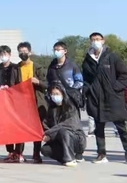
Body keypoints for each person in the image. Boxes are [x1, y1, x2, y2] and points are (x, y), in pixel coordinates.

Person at [82, 32, 127, 163]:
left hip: (113, 98)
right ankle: (101, 154)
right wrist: (87, 91)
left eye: (98, 39)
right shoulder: (88, 60)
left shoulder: (112, 57)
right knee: (99, 129)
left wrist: (115, 88)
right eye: (93, 39)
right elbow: (86, 80)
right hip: (96, 99)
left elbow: (124, 74)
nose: (95, 41)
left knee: (121, 128)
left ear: (103, 41)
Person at [16, 42, 48, 164]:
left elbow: (47, 84)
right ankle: (19, 153)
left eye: (25, 51)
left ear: (30, 52)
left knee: (37, 129)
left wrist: (38, 82)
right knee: (20, 128)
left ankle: (36, 154)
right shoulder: (16, 68)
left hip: (36, 101)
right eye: (20, 52)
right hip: (21, 103)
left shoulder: (38, 67)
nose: (23, 53)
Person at [41, 84, 86, 167]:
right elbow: (46, 124)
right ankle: (64, 158)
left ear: (62, 94)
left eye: (57, 94)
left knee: (63, 131)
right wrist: (45, 134)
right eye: (53, 94)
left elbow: (68, 124)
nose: (55, 96)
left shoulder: (70, 107)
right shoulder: (51, 109)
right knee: (45, 149)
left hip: (76, 138)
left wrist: (50, 134)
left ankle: (70, 159)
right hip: (60, 140)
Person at [0, 45, 23, 162]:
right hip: (3, 102)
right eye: (1, 54)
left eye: (5, 54)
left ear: (10, 55)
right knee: (7, 127)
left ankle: (19, 152)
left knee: (18, 127)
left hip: (15, 101)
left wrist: (12, 89)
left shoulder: (16, 68)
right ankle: (10, 151)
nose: (3, 56)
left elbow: (20, 84)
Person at [46, 41, 85, 110]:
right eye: (55, 50)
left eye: (58, 50)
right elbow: (48, 81)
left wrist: (69, 91)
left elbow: (79, 82)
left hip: (70, 100)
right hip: (55, 99)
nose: (56, 52)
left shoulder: (72, 65)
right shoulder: (51, 66)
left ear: (65, 51)